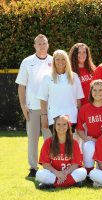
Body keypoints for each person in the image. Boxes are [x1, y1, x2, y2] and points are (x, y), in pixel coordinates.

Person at [15, 34, 53, 177]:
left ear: (48, 45)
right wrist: (23, 105)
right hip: (32, 108)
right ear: (34, 45)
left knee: (49, 138)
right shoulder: (27, 61)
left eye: (44, 43)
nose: (42, 46)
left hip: (50, 108)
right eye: (39, 44)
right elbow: (21, 86)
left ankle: (50, 165)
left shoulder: (54, 61)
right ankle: (33, 167)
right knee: (33, 138)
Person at [76, 79, 102, 175]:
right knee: (89, 146)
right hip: (92, 141)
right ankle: (88, 174)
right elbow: (79, 129)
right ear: (90, 92)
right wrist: (86, 138)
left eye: (100, 90)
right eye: (94, 90)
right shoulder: (84, 109)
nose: (97, 93)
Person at [37, 49, 84, 133]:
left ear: (66, 61)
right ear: (53, 61)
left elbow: (78, 100)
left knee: (70, 144)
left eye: (63, 59)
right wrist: (43, 116)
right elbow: (43, 99)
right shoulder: (47, 77)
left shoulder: (74, 76)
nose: (60, 61)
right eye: (57, 59)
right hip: (53, 117)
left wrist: (79, 117)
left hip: (71, 117)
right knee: (56, 144)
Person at [35, 115, 87, 189]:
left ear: (68, 126)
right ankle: (71, 183)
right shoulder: (48, 142)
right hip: (54, 174)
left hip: (69, 173)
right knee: (39, 174)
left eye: (64, 124)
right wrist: (57, 173)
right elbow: (45, 164)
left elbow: (75, 165)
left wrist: (65, 173)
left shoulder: (74, 143)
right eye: (58, 124)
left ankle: (53, 185)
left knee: (82, 172)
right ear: (55, 126)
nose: (61, 127)